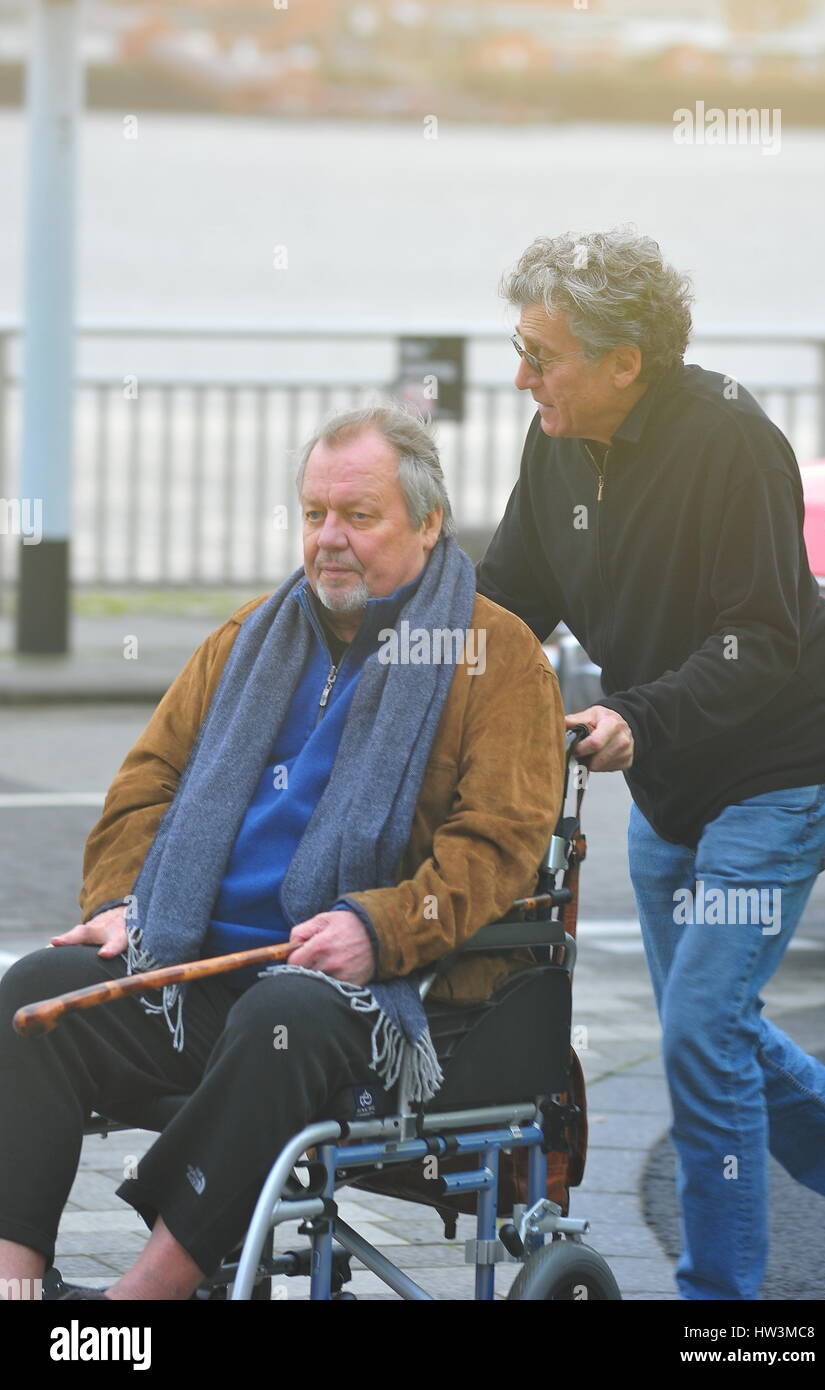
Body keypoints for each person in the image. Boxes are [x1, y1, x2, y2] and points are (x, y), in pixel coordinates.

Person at [0, 402, 564, 1301]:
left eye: (358, 516)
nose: (328, 539)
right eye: (313, 514)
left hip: (378, 997)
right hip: (201, 971)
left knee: (288, 1016)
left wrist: (377, 928)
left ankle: (139, 1303)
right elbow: (142, 788)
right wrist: (119, 906)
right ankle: (17, 1288)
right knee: (34, 994)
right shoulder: (247, 639)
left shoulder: (499, 658)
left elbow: (497, 848)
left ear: (427, 523)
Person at [476, 228, 825, 1302]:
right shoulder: (556, 439)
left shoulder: (730, 442)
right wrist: (409, 654)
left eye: (539, 355)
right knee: (715, 1031)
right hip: (672, 775)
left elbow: (760, 635)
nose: (521, 377)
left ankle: (718, 1308)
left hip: (784, 772)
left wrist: (635, 717)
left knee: (699, 1030)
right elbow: (511, 595)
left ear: (622, 361)